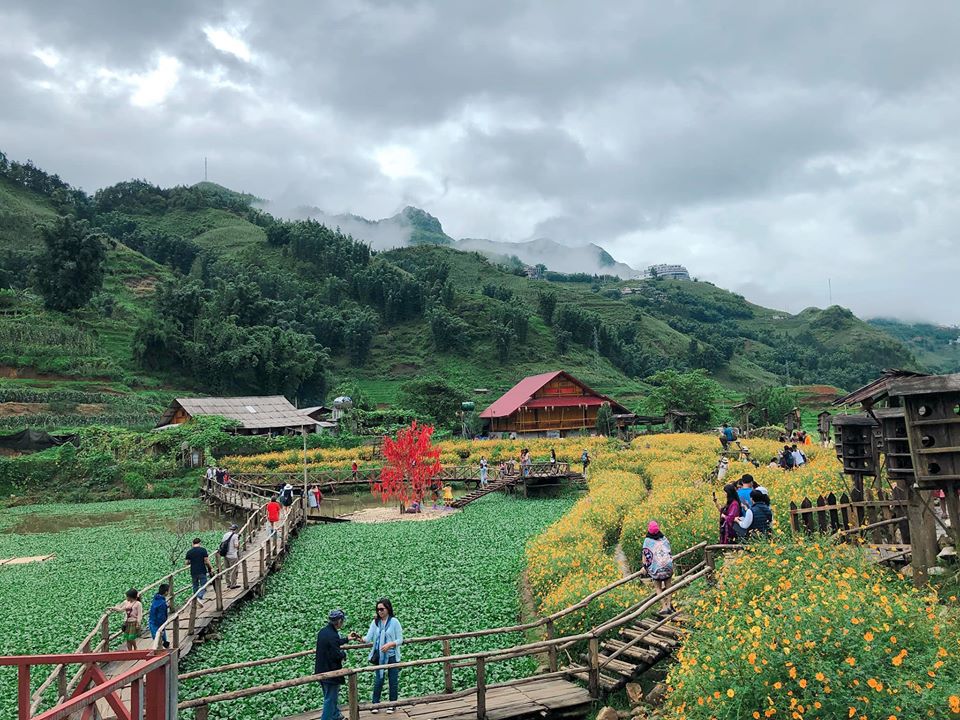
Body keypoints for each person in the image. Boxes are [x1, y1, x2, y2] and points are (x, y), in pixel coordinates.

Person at [315, 609, 360, 720]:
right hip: (330, 672)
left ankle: (335, 716)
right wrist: (343, 654)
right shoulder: (333, 635)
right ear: (339, 621)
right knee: (330, 698)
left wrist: (346, 639)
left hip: (320, 670)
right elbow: (336, 654)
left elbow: (333, 643)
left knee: (329, 696)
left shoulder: (323, 631)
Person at [365, 598, 404, 712]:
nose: (379, 612)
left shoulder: (394, 622)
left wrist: (390, 644)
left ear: (388, 609)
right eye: (378, 609)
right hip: (380, 656)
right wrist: (358, 638)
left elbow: (400, 639)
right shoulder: (375, 622)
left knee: (393, 681)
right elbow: (368, 638)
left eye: (382, 609)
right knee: (379, 680)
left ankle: (392, 704)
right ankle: (375, 704)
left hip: (392, 655)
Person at [641, 522, 675, 615]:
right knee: (668, 587)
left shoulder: (647, 540)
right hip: (668, 566)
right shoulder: (664, 538)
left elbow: (646, 554)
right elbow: (669, 551)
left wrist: (644, 567)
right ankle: (669, 606)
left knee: (658, 587)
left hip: (657, 569)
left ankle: (664, 607)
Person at [219, 523, 241, 589]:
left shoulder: (225, 535)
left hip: (226, 555)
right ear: (236, 529)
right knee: (234, 570)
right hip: (232, 555)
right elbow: (236, 546)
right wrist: (238, 541)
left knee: (227, 569)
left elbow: (222, 544)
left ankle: (228, 583)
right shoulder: (235, 536)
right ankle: (233, 584)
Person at [148, 584, 170, 649]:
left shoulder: (156, 598)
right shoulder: (162, 603)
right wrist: (163, 623)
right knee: (159, 639)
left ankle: (164, 646)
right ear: (166, 592)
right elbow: (161, 615)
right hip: (158, 623)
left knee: (158, 638)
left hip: (152, 621)